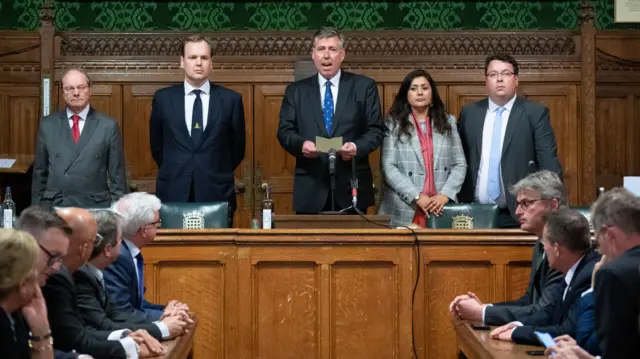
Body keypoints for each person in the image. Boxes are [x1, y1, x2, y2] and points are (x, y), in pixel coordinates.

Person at [277, 27, 384, 214]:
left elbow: (376, 130)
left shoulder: (364, 87)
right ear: (313, 54)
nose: (326, 56)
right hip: (310, 187)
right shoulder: (296, 91)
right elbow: (285, 132)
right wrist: (302, 145)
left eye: (332, 50)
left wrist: (355, 147)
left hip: (352, 186)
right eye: (321, 49)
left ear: (342, 54)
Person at [42, 207, 163, 359]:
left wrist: (127, 336)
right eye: (94, 241)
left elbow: (93, 326)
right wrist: (128, 347)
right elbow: (76, 339)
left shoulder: (72, 274)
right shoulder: (59, 276)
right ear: (83, 248)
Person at [457, 53, 562, 228]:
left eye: (506, 74)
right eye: (493, 74)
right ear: (486, 81)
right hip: (473, 213)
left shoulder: (534, 113)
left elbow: (549, 164)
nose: (499, 79)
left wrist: (553, 208)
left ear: (516, 80)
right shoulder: (470, 113)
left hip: (520, 214)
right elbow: (459, 159)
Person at [150, 34, 245, 225]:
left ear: (212, 63)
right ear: (182, 62)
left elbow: (237, 148)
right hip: (173, 190)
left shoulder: (231, 100)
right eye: (193, 58)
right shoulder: (163, 99)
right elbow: (156, 146)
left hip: (216, 191)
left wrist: (212, 167)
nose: (198, 63)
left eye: (204, 57)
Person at [450, 170, 564, 325]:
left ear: (553, 205)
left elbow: (545, 313)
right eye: (518, 204)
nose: (517, 212)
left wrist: (483, 313)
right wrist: (484, 308)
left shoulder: (563, 246)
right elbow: (529, 301)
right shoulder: (540, 244)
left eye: (526, 203)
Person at [488, 208, 600, 345]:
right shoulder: (574, 268)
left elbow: (567, 331)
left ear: (557, 249)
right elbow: (548, 314)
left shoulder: (588, 275)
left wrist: (517, 333)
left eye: (545, 243)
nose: (544, 249)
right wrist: (517, 325)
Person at [74, 210, 189, 342]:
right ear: (107, 249)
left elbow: (116, 313)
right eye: (120, 240)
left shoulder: (93, 273)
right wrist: (162, 328)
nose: (122, 246)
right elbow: (104, 326)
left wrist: (164, 315)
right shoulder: (81, 277)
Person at [378, 69, 467, 227]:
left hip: (440, 207)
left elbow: (460, 164)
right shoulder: (393, 123)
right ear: (406, 94)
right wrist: (416, 197)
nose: (420, 92)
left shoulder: (448, 122)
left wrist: (445, 195)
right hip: (405, 207)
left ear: (432, 93)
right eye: (413, 88)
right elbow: (388, 168)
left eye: (424, 88)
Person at [32, 68, 127, 208]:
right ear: (62, 92)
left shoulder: (107, 125)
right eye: (69, 88)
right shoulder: (48, 124)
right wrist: (36, 212)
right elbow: (40, 173)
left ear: (90, 90)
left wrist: (118, 215)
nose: (76, 93)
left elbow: (117, 177)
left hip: (94, 208)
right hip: (56, 207)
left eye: (81, 87)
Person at [15, 206, 94, 359]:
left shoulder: (29, 294)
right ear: (27, 244)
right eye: (53, 256)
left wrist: (41, 331)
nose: (57, 267)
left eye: (60, 259)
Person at [103, 193, 189, 322]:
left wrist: (165, 310)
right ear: (144, 231)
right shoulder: (118, 257)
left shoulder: (128, 252)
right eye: (157, 223)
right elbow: (121, 311)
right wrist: (163, 316)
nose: (159, 227)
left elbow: (137, 303)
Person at [588, 187, 640, 358]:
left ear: (609, 233)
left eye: (597, 241)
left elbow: (616, 352)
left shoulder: (613, 274)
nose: (600, 251)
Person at [0, 228, 54, 359]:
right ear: (23, 284)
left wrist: (39, 326)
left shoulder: (13, 313)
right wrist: (43, 330)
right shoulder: (2, 327)